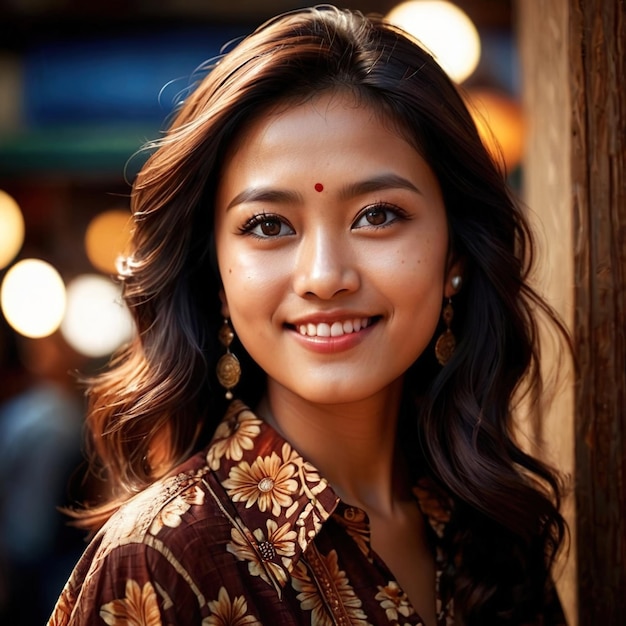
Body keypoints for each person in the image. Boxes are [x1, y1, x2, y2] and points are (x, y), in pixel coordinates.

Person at [48, 6, 569, 625]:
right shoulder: (163, 562)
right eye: (269, 225)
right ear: (214, 272)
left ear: (455, 251)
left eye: (377, 215)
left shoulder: (491, 530)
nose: (325, 277)